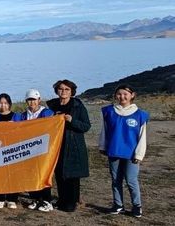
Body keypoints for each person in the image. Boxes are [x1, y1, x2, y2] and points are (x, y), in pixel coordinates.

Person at [99, 84, 149, 218]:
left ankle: (137, 206)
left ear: (132, 95)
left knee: (131, 180)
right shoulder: (109, 112)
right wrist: (103, 146)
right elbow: (104, 131)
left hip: (131, 154)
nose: (122, 96)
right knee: (115, 180)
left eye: (125, 94)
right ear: (116, 95)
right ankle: (118, 204)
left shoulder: (140, 115)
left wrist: (139, 154)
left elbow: (142, 136)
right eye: (119, 94)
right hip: (114, 150)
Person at [46, 79, 90, 213]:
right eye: (61, 89)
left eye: (67, 89)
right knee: (59, 173)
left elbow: (86, 126)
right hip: (56, 144)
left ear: (72, 91)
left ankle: (73, 201)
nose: (63, 91)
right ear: (56, 91)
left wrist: (72, 121)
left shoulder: (78, 106)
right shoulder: (52, 106)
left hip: (73, 144)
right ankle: (61, 199)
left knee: (72, 174)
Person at [20, 89, 55, 212]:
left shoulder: (46, 113)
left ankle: (46, 201)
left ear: (39, 100)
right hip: (28, 149)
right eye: (29, 100)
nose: (32, 102)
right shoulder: (24, 115)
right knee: (30, 174)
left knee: (43, 173)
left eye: (34, 100)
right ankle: (35, 198)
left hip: (43, 149)